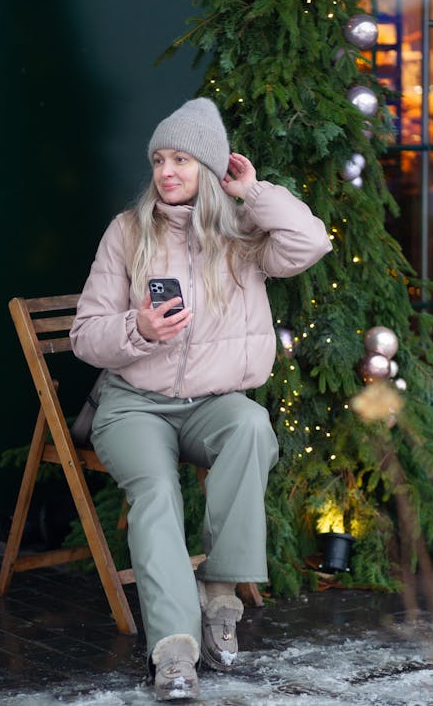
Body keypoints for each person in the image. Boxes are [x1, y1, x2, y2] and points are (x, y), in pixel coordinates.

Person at [70, 97, 332, 701]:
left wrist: (252, 190)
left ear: (210, 169)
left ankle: (219, 599)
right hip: (134, 402)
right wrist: (138, 330)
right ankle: (175, 651)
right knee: (157, 491)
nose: (167, 171)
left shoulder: (242, 235)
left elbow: (311, 242)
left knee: (251, 426)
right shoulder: (128, 231)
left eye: (183, 159)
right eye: (160, 158)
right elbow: (86, 334)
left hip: (212, 402)